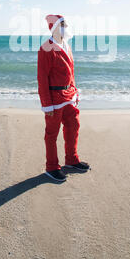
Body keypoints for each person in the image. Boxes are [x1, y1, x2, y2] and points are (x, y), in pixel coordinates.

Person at [37, 14, 90, 182]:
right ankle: (52, 167)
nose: (65, 28)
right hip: (54, 98)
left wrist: (75, 92)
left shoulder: (66, 45)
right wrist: (47, 105)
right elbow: (42, 78)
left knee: (73, 127)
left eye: (66, 25)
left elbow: (71, 72)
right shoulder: (46, 48)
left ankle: (72, 160)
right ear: (54, 28)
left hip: (69, 96)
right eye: (62, 25)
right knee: (52, 134)